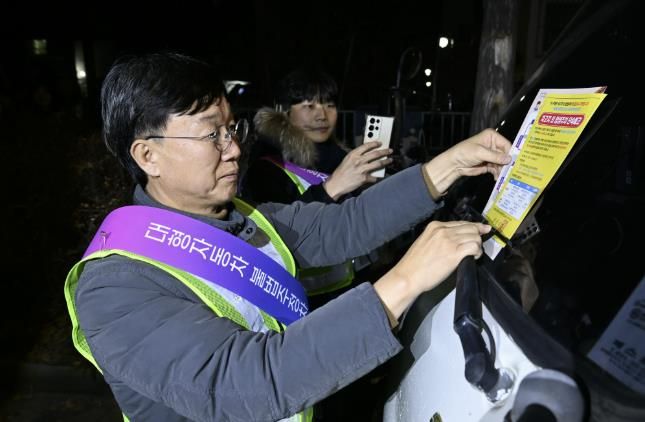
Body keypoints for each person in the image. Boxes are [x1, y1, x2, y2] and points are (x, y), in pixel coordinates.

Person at [64, 52, 511, 422]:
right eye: (211, 135)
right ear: (148, 155)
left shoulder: (240, 219)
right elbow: (250, 383)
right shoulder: (115, 286)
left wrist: (449, 165)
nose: (233, 148)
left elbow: (347, 224)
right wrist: (405, 280)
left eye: (231, 129)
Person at [240, 66, 392, 205]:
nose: (322, 116)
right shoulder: (266, 168)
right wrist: (332, 188)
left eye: (330, 105)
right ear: (285, 111)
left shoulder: (344, 158)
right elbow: (276, 223)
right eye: (309, 106)